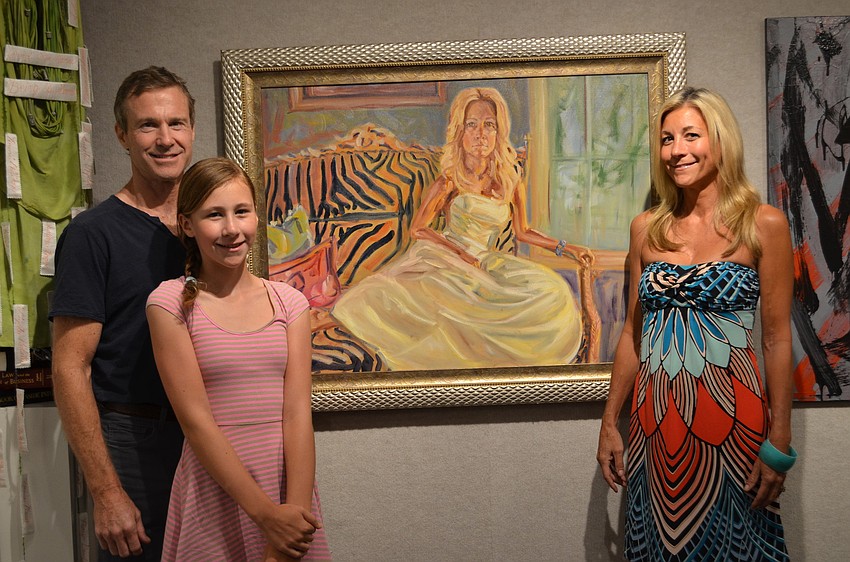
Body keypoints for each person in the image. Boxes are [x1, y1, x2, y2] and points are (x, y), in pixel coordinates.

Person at [596, 87, 795, 561]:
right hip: (653, 425)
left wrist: (780, 440)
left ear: (720, 141)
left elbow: (777, 337)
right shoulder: (647, 228)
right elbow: (632, 333)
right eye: (667, 139)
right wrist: (609, 421)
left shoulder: (762, 224)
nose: (677, 150)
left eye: (690, 135)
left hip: (734, 423)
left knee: (738, 547)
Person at [146, 157, 331, 561]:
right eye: (215, 215)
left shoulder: (290, 302)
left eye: (241, 212)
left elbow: (298, 413)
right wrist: (265, 515)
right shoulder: (168, 303)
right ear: (188, 225)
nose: (231, 229)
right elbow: (196, 423)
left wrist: (292, 521)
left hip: (285, 488)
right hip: (215, 490)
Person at [331, 87, 594, 370]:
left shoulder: (510, 180)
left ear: (498, 132)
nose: (481, 134)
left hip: (486, 260)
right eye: (472, 125)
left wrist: (567, 249)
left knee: (553, 291)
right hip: (445, 256)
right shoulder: (449, 180)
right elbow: (418, 228)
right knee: (409, 297)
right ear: (460, 132)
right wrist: (459, 253)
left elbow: (523, 231)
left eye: (489, 125)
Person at [50, 66, 195, 560]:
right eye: (147, 125)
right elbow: (70, 366)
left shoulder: (213, 227)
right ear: (121, 135)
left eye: (176, 123)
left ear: (192, 130)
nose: (165, 139)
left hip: (211, 433)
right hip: (137, 439)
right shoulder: (94, 234)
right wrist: (107, 491)